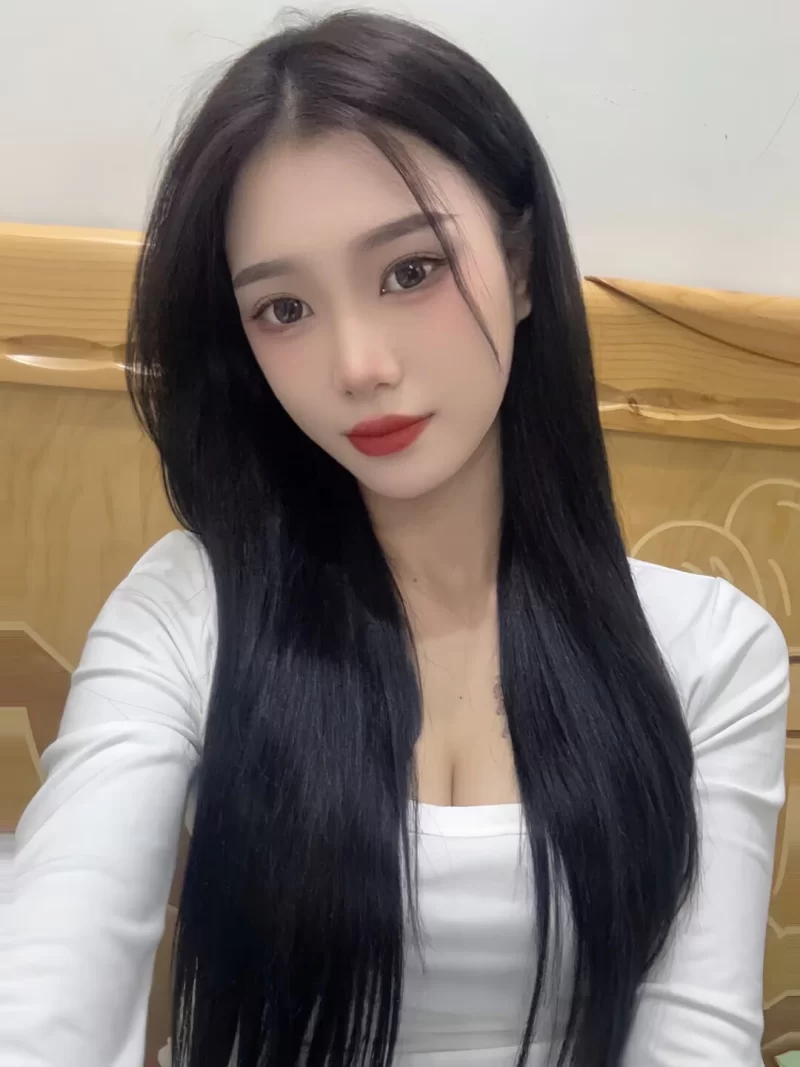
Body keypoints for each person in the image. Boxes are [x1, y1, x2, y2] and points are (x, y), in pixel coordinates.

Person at [7, 10, 789, 1067]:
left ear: (520, 266)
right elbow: (51, 975)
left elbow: (694, 1040)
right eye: (283, 308)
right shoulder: (193, 608)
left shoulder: (708, 654)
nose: (358, 365)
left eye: (410, 270)